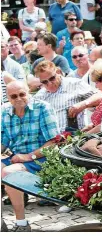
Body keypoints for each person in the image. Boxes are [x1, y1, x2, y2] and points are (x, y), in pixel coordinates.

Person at [1, 81, 60, 232]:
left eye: (22, 94)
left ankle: (22, 224)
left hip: (42, 158)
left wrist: (28, 156)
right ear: (8, 97)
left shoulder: (43, 108)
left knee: (8, 173)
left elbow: (53, 142)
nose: (18, 98)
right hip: (17, 158)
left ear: (29, 92)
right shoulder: (5, 112)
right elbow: (3, 143)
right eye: (13, 96)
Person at [33, 60, 102, 131]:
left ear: (58, 72)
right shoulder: (39, 97)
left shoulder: (75, 84)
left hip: (76, 135)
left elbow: (100, 96)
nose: (50, 83)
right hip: (52, 138)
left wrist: (83, 104)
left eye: (52, 78)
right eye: (45, 82)